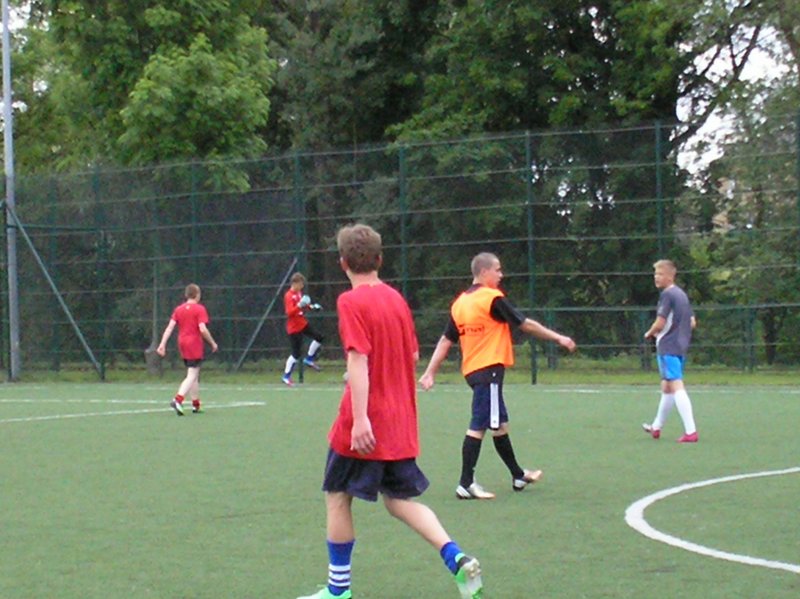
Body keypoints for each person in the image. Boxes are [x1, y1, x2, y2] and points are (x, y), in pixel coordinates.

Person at [297, 224, 483, 599]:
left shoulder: (350, 302)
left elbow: (358, 359)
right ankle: (455, 556)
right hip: (400, 422)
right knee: (399, 501)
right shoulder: (397, 300)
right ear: (380, 259)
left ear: (342, 263)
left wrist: (360, 419)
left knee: (337, 495)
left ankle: (338, 590)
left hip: (363, 422)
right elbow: (411, 355)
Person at [419, 252, 576, 500]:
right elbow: (525, 324)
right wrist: (558, 338)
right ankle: (465, 483)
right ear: (484, 272)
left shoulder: (460, 303)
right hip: (488, 370)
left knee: (499, 424)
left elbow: (446, 340)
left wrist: (430, 372)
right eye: (498, 270)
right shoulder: (491, 298)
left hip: (473, 371)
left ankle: (518, 475)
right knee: (479, 425)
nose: (501, 275)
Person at [642, 259, 698, 443]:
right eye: (655, 274)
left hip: (668, 345)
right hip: (681, 345)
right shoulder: (682, 295)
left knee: (675, 385)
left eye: (660, 274)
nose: (656, 277)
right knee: (666, 386)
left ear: (670, 276)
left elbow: (660, 322)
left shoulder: (667, 295)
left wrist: (649, 333)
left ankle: (691, 431)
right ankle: (656, 427)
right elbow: (692, 322)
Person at [156, 283, 218, 415]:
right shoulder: (199, 309)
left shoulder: (179, 309)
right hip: (194, 343)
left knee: (194, 372)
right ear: (197, 295)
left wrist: (162, 343)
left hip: (182, 342)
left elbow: (170, 327)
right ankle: (178, 399)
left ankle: (196, 405)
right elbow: (202, 329)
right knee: (192, 374)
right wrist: (212, 342)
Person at [282, 272, 324, 386]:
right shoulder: (288, 295)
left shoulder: (299, 293)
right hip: (294, 327)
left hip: (302, 323)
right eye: (300, 284)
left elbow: (303, 306)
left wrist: (312, 307)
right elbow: (289, 312)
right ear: (294, 283)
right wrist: (299, 306)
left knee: (319, 337)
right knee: (296, 354)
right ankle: (286, 376)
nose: (302, 286)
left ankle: (309, 359)